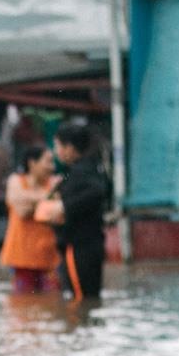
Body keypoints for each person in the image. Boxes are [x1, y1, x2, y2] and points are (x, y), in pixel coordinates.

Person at [37, 121, 110, 300]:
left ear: (69, 148)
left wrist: (64, 207)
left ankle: (79, 327)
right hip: (87, 244)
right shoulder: (86, 168)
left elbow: (97, 191)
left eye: (57, 146)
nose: (56, 151)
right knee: (87, 297)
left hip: (79, 246)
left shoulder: (82, 171)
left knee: (80, 299)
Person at [0, 146, 61, 294]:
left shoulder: (55, 183)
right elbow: (21, 211)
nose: (52, 167)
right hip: (21, 257)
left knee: (52, 303)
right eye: (48, 162)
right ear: (32, 163)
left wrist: (29, 199)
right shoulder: (15, 180)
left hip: (50, 257)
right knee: (23, 305)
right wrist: (47, 199)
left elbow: (56, 212)